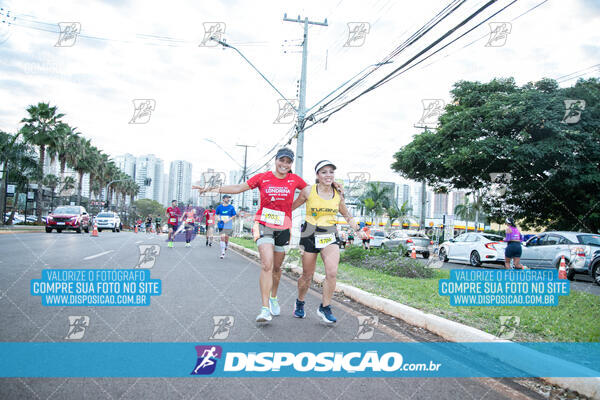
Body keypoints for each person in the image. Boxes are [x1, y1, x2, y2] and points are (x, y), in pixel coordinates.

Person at [193, 148, 307, 323]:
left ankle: (273, 297)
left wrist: (293, 207)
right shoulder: (263, 177)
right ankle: (264, 309)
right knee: (267, 264)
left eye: (288, 162)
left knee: (277, 268)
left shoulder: (295, 180)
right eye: (281, 160)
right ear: (275, 160)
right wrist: (212, 189)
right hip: (263, 223)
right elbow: (239, 187)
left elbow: (310, 193)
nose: (284, 164)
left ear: (291, 164)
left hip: (284, 227)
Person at [292, 160, 366, 323]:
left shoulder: (338, 194)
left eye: (331, 172)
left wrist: (358, 230)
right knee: (307, 275)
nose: (328, 175)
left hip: (329, 234)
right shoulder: (307, 191)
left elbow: (346, 215)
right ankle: (300, 302)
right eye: (324, 172)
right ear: (317, 175)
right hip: (310, 233)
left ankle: (325, 307)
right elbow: (292, 207)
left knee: (332, 272)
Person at [215, 195, 237, 259]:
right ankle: (222, 253)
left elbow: (234, 215)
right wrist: (218, 218)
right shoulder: (219, 207)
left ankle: (226, 245)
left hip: (228, 224)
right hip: (221, 223)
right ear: (223, 199)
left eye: (229, 198)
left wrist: (228, 219)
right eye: (227, 198)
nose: (228, 199)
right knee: (222, 237)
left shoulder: (231, 207)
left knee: (226, 238)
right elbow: (216, 214)